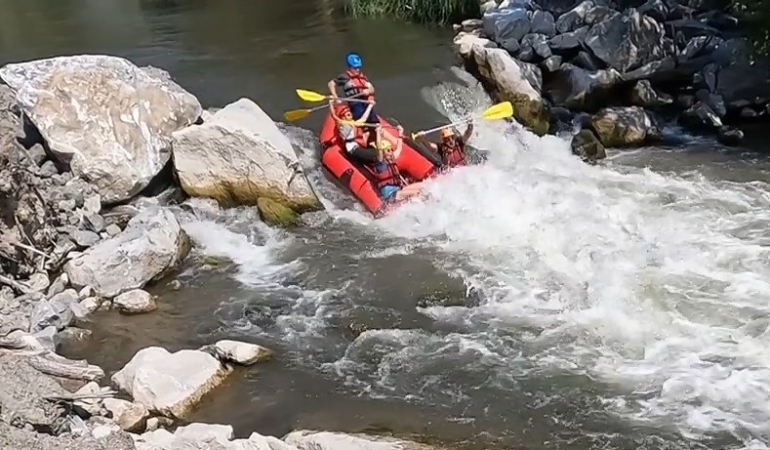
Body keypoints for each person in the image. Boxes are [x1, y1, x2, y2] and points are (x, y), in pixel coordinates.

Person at [373, 127, 424, 203]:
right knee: (417, 193)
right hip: (390, 195)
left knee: (424, 186)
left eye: (391, 150)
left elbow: (399, 147)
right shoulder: (381, 163)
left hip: (398, 189)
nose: (391, 152)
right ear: (383, 153)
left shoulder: (391, 158)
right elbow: (379, 149)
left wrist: (400, 132)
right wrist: (378, 132)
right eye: (388, 150)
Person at [328, 52, 379, 126]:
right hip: (354, 103)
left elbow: (372, 89)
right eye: (355, 68)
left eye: (359, 67)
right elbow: (331, 83)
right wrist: (335, 97)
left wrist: (368, 90)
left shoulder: (362, 77)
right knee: (361, 121)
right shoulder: (344, 77)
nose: (358, 70)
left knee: (376, 123)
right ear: (350, 67)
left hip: (366, 103)